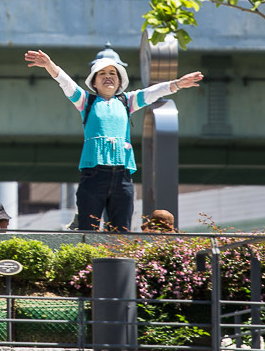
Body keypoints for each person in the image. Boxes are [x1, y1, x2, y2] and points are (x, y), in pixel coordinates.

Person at [25, 48, 203, 232]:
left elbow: (152, 93)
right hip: (93, 176)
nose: (108, 76)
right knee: (89, 231)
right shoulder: (86, 101)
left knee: (121, 232)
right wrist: (49, 65)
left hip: (123, 177)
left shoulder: (127, 101)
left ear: (119, 80)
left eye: (112, 73)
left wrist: (178, 84)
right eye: (102, 73)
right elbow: (66, 84)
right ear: (94, 81)